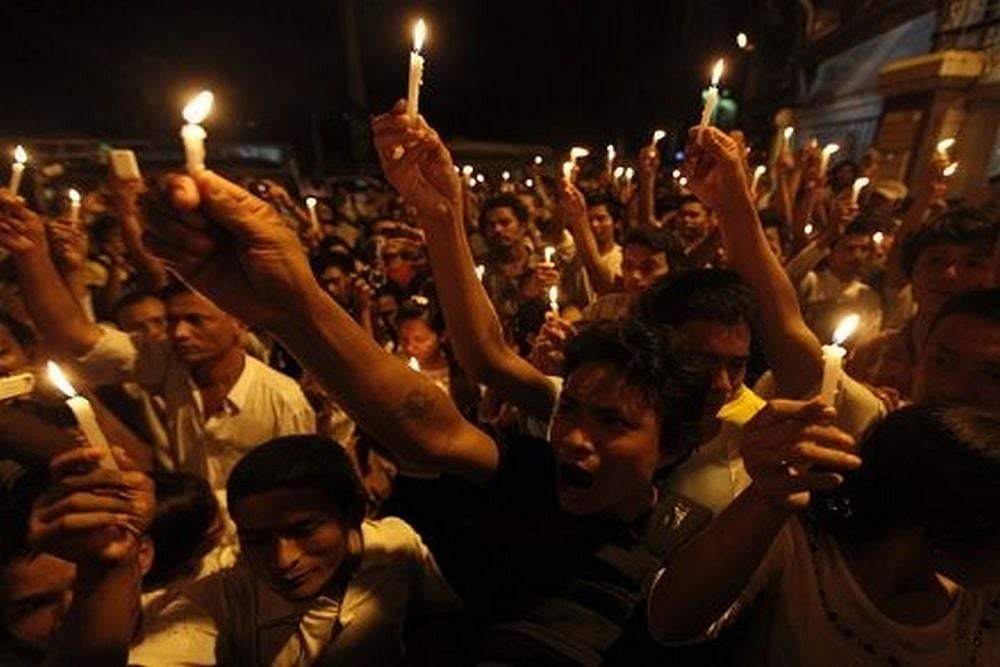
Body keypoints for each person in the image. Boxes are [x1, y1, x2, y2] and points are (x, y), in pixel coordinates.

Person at [128, 108, 714, 662]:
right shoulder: (532, 474)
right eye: (572, 411)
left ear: (673, 447)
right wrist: (289, 306)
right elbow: (422, 425)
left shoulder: (697, 548)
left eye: (613, 423)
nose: (576, 439)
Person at [0, 190, 316, 492]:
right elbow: (74, 335)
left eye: (196, 321)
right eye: (173, 321)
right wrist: (31, 250)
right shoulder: (169, 365)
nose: (179, 334)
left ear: (238, 321)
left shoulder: (283, 400)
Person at [648, 402, 1000, 666]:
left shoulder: (980, 607)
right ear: (946, 521)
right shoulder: (803, 543)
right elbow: (671, 621)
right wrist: (765, 499)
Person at [130, 435, 460, 665]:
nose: (282, 560)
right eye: (257, 540)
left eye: (303, 531)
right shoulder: (220, 598)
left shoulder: (394, 546)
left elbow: (438, 618)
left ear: (353, 514)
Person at [849, 208, 996, 397]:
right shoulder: (875, 351)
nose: (949, 274)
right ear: (913, 268)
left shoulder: (990, 366)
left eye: (972, 264)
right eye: (936, 260)